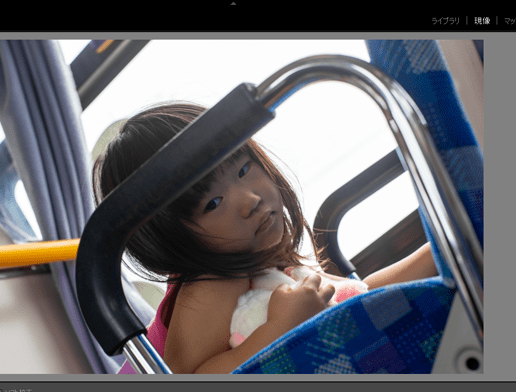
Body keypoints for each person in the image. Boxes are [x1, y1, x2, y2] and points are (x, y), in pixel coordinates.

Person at [94, 103, 437, 374]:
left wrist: (437, 252)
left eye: (244, 170)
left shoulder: (261, 259)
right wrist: (281, 327)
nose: (250, 200)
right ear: (174, 241)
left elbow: (357, 297)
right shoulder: (210, 284)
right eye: (213, 203)